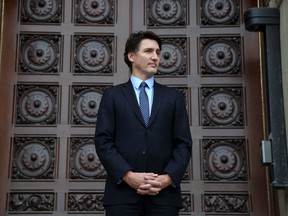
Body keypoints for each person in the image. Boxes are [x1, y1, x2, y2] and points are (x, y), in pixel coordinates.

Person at [94, 30, 192, 216]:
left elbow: (184, 143)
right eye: (148, 51)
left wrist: (167, 178)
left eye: (157, 52)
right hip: (122, 196)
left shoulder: (173, 97)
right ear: (131, 56)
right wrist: (127, 176)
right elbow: (103, 141)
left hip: (164, 197)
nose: (155, 57)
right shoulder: (112, 96)